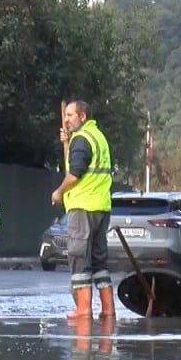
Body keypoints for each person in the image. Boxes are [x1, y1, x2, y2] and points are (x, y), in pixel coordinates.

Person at [52, 100, 115, 320]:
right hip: (101, 207)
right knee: (99, 260)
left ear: (83, 116)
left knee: (79, 257)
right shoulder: (97, 137)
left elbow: (75, 173)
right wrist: (69, 142)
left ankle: (83, 309)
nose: (67, 120)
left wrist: (59, 192)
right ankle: (108, 309)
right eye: (66, 115)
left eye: (71, 115)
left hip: (83, 207)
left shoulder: (81, 140)